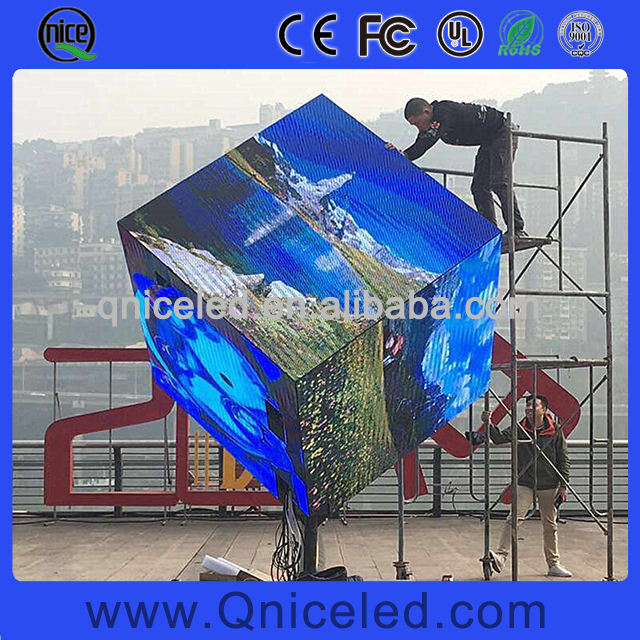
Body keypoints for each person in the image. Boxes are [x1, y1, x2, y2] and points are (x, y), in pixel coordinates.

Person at [387, 97, 526, 238]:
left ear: (426, 112)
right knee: (479, 187)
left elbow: (427, 141)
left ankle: (517, 229)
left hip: (502, 132)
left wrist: (406, 155)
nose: (419, 127)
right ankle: (490, 232)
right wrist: (401, 155)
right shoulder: (434, 121)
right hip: (488, 139)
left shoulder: (443, 113)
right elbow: (422, 140)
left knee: (499, 182)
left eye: (418, 123)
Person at [470, 395, 572, 578]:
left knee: (550, 524)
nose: (529, 408)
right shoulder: (520, 427)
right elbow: (499, 438)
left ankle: (553, 563)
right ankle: (500, 557)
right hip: (525, 481)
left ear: (544, 410)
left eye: (534, 405)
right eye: (527, 405)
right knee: (513, 519)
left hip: (548, 483)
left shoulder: (554, 430)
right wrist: (488, 423)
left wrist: (563, 484)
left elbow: (563, 458)